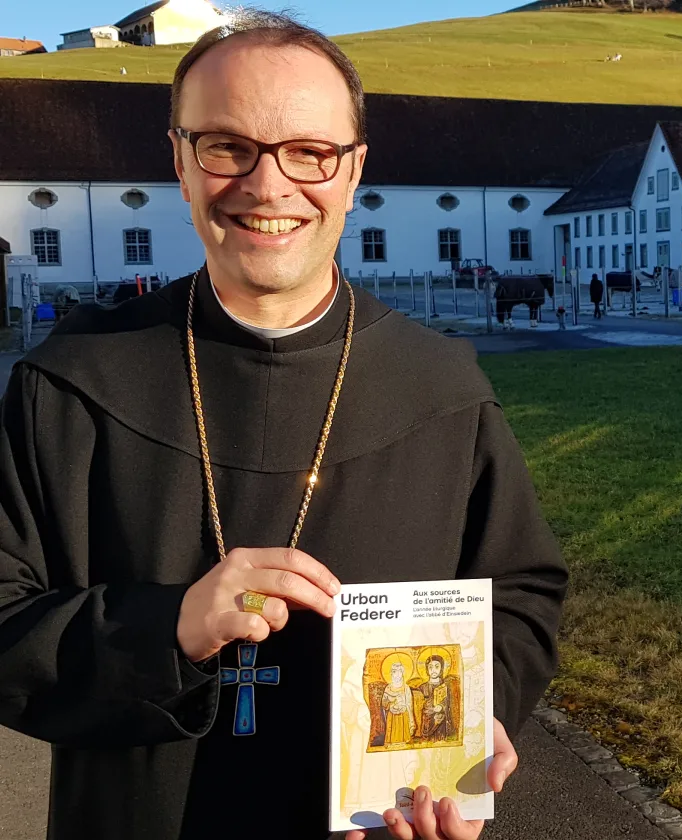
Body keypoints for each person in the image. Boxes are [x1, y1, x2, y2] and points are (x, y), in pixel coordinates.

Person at [0, 11, 568, 840]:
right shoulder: (73, 380)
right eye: (227, 146)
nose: (269, 187)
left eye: (310, 152)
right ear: (181, 163)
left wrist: (475, 722)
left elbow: (521, 593)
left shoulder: (444, 388)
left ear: (353, 170)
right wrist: (167, 629)